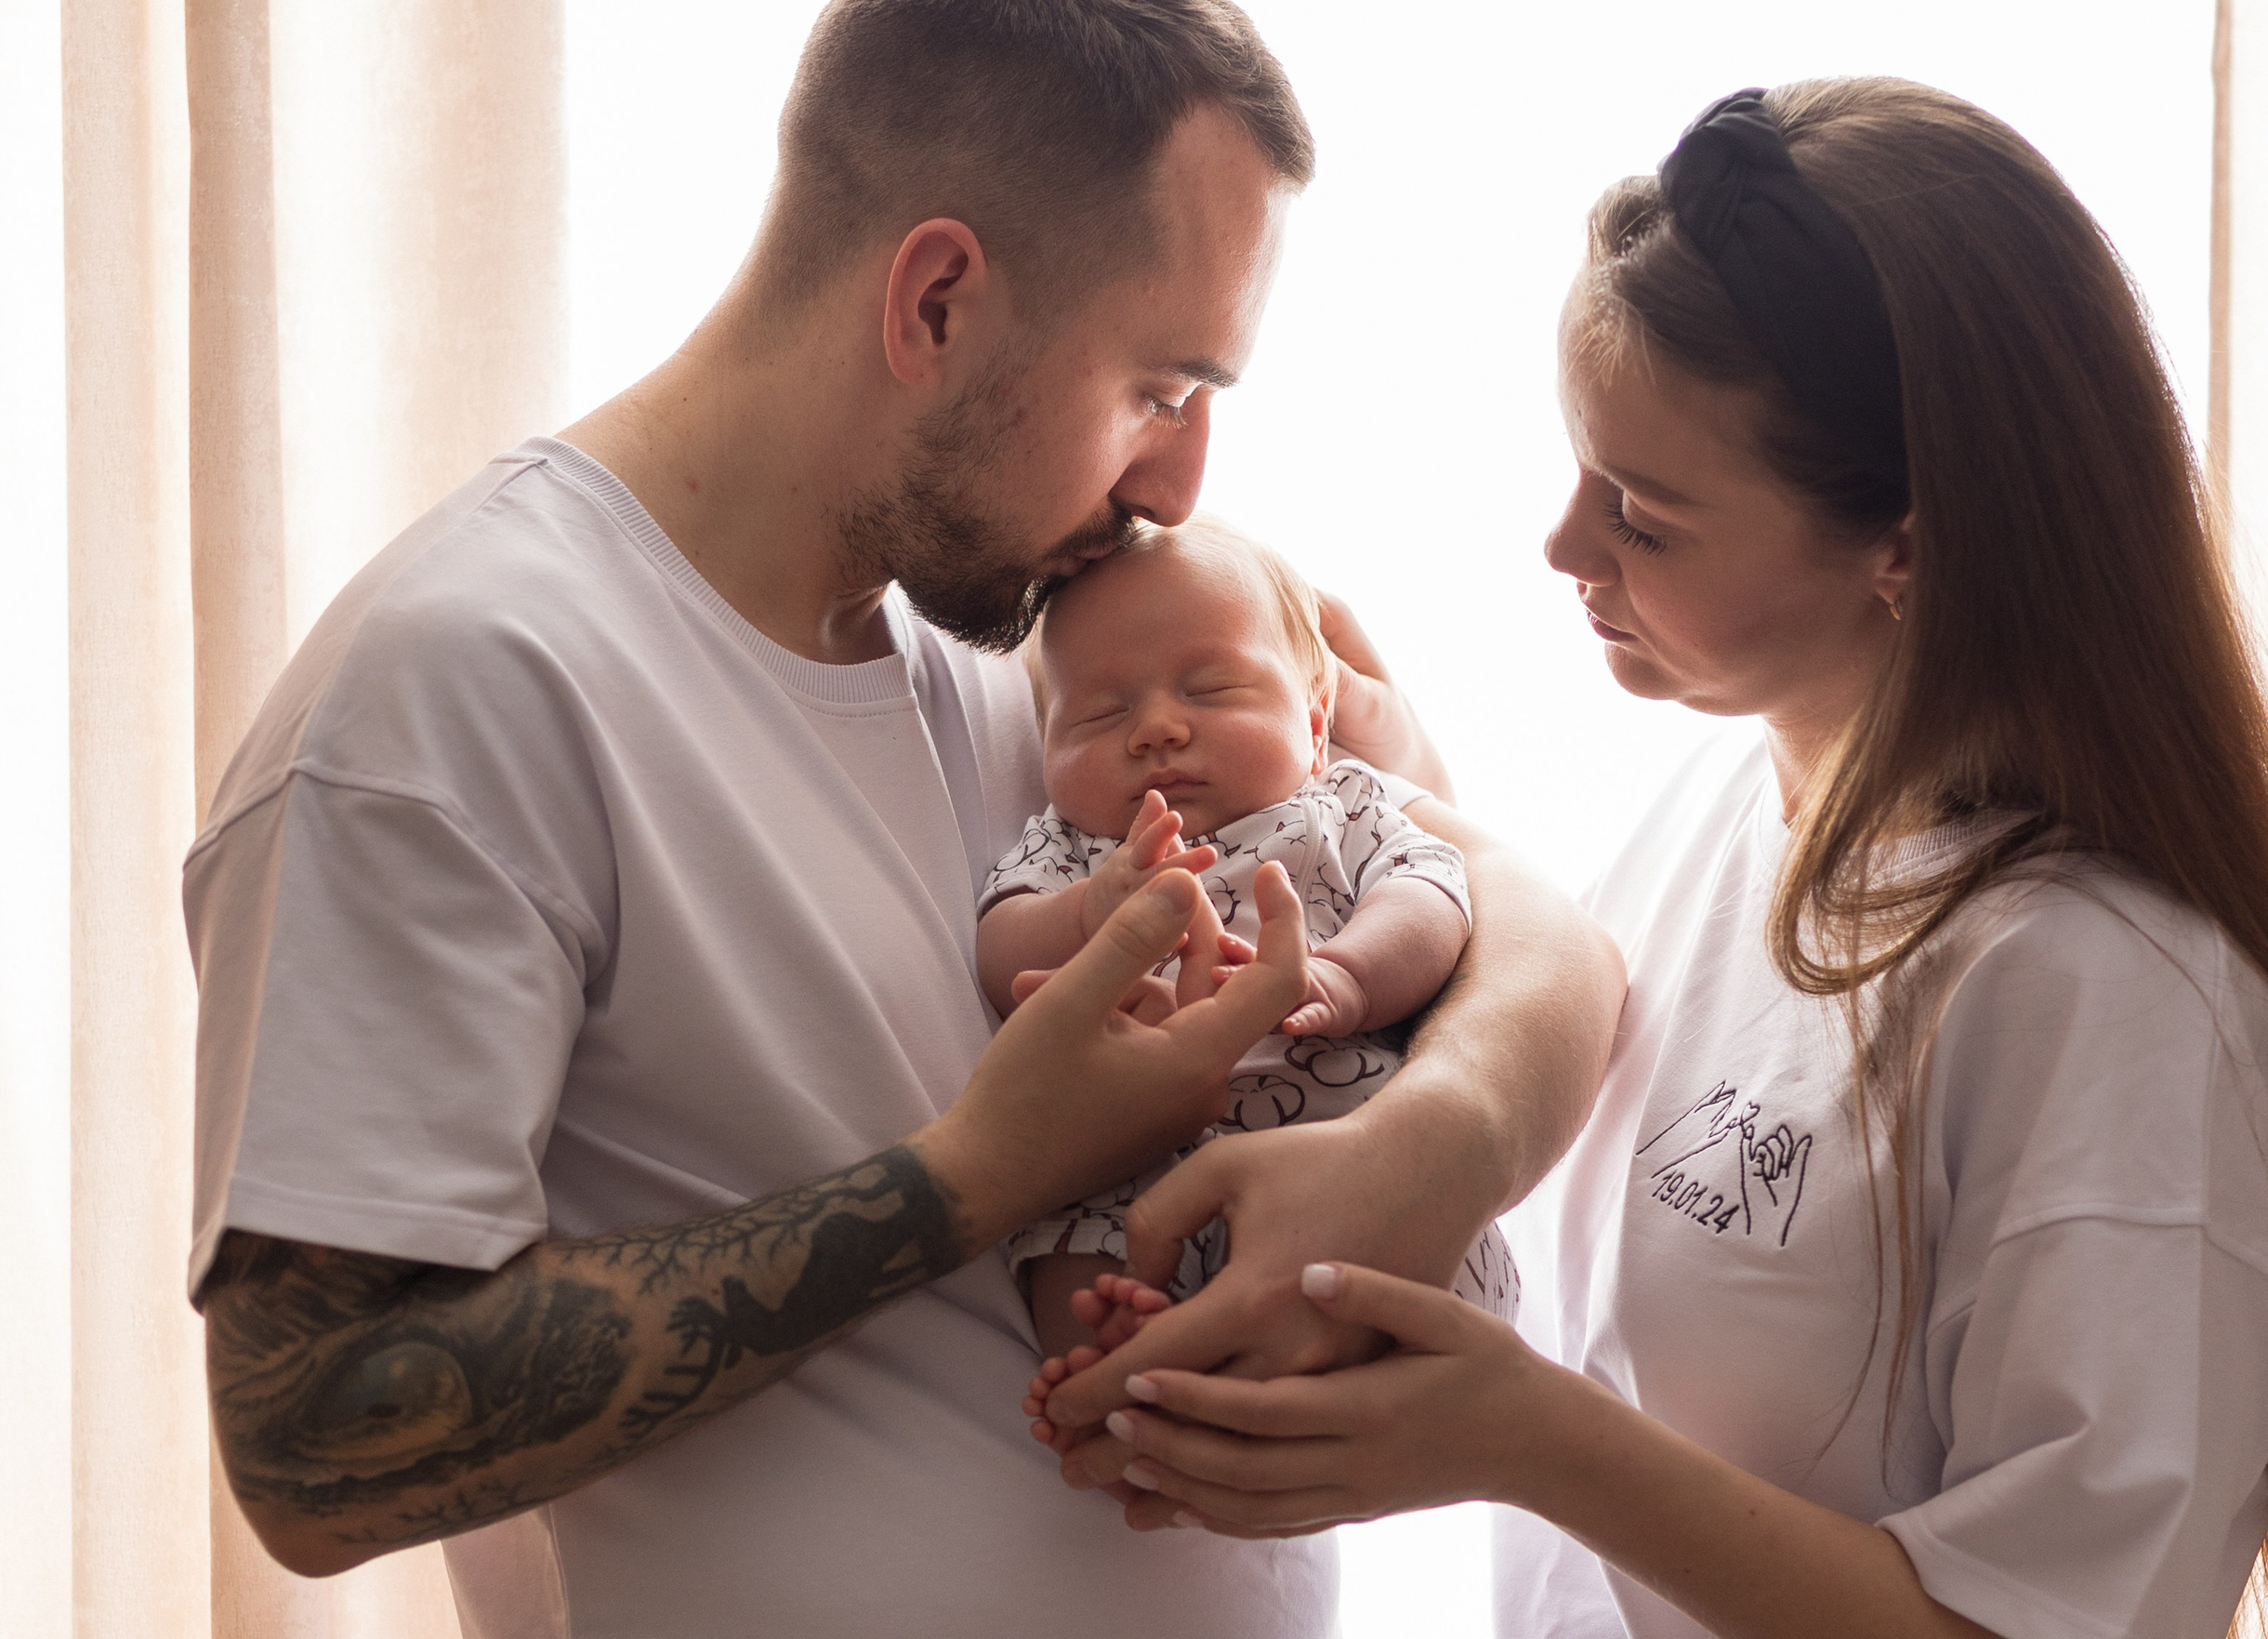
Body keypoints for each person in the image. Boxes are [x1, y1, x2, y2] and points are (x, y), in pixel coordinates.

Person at [181, 4, 1621, 1637]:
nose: (1180, 482)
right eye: (1162, 384)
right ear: (937, 301)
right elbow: (315, 1438)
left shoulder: (1050, 634)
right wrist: (974, 1175)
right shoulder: (460, 693)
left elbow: (1529, 915)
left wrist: (1433, 1147)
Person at [1043, 80, 2268, 1639]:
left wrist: (1521, 1435)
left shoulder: (2122, 1014)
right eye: (1582, 470)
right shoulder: (1717, 821)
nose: (1563, 547)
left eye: (1646, 515)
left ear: (1909, 545)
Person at [973, 519, 1517, 1389]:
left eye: (1212, 689)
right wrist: (1088, 914)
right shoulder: (1072, 849)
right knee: (1065, 1236)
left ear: (1313, 719)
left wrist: (1350, 974)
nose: (1154, 729)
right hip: (1132, 1164)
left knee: (1410, 1236)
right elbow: (1001, 944)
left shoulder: (1342, 803)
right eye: (1098, 713)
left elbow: (1432, 893)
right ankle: (1122, 1358)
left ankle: (1374, 1370)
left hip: (1342, 1148)